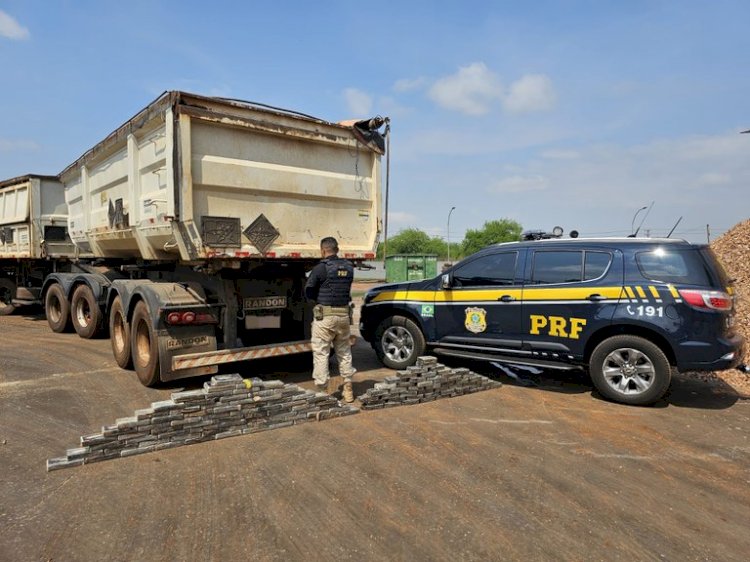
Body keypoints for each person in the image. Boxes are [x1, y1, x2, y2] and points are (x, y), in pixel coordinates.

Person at [305, 237, 356, 403]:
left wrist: (317, 301)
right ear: (337, 249)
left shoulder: (321, 268)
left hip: (325, 316)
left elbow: (309, 290)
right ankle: (348, 389)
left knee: (321, 352)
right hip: (344, 315)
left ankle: (323, 392)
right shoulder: (349, 267)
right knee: (344, 352)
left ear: (323, 250)